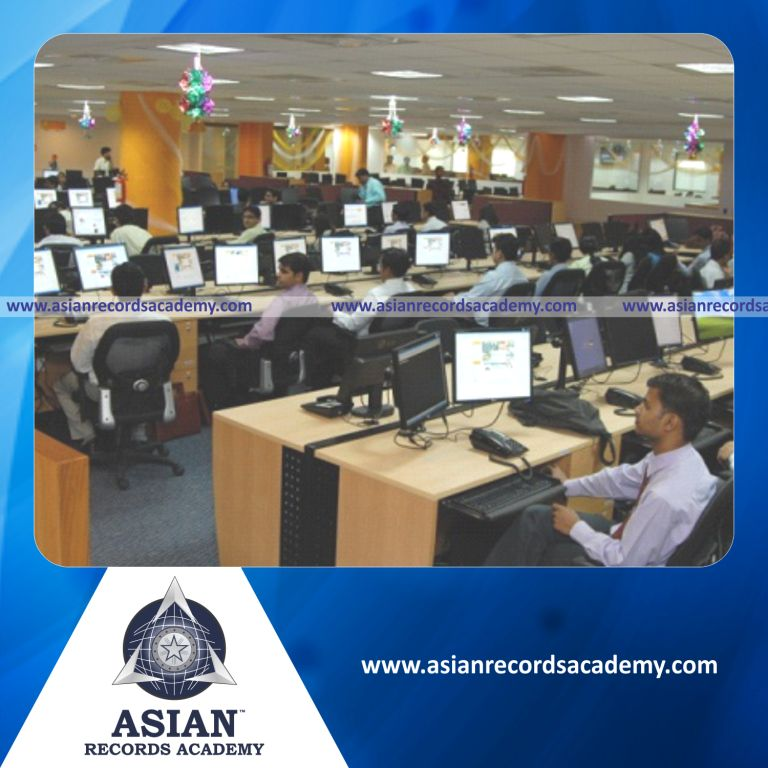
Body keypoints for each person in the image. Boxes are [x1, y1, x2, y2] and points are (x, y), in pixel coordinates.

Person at [485, 373, 718, 567]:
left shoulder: (664, 498)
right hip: (629, 539)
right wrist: (566, 486)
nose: (637, 409)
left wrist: (576, 528)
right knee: (536, 517)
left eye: (646, 406)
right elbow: (621, 480)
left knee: (551, 552)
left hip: (626, 571)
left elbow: (624, 562)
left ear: (670, 423)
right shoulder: (681, 459)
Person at [52, 262, 169, 446]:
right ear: (145, 287)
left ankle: (87, 435)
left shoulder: (97, 322)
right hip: (145, 387)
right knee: (140, 374)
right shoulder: (162, 320)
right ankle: (138, 434)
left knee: (60, 386)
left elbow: (79, 365)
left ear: (112, 290)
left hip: (105, 390)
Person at [200, 253, 318, 409]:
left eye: (284, 272)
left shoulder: (281, 302)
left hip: (266, 358)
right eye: (279, 270)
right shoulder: (311, 298)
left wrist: (243, 342)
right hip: (288, 358)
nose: (278, 274)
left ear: (299, 276)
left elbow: (262, 334)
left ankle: (222, 406)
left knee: (211, 352)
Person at [305, 248, 416, 388]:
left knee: (316, 333)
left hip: (364, 342)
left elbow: (352, 324)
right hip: (391, 341)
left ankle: (319, 384)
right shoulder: (411, 289)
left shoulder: (377, 294)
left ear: (387, 270)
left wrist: (333, 311)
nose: (378, 268)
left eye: (380, 265)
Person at [453, 234, 528, 326]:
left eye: (494, 249)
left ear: (499, 254)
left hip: (484, 323)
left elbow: (469, 302)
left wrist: (453, 298)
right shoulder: (522, 277)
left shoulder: (494, 277)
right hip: (508, 322)